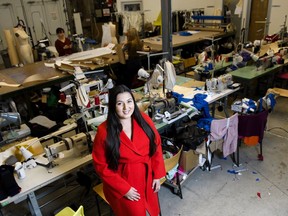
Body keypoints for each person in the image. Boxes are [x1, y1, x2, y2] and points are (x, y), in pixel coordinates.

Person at [92, 85, 166, 216]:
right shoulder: (104, 131)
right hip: (124, 183)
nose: (126, 108)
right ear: (113, 106)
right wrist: (124, 189)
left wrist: (157, 175)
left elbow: (156, 146)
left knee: (152, 211)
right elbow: (101, 166)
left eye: (129, 101)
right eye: (120, 103)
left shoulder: (144, 119)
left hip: (147, 178)